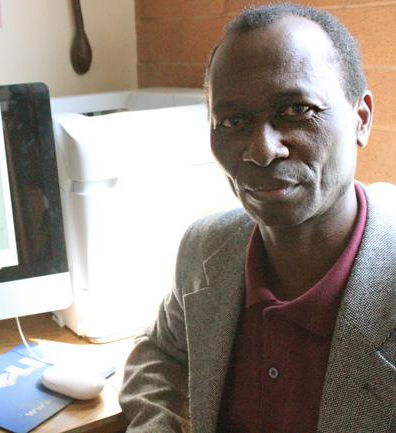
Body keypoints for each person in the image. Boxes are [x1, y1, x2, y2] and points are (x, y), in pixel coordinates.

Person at [119, 3, 396, 433]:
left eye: (296, 110)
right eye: (233, 120)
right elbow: (159, 355)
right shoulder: (206, 246)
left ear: (361, 119)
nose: (263, 150)